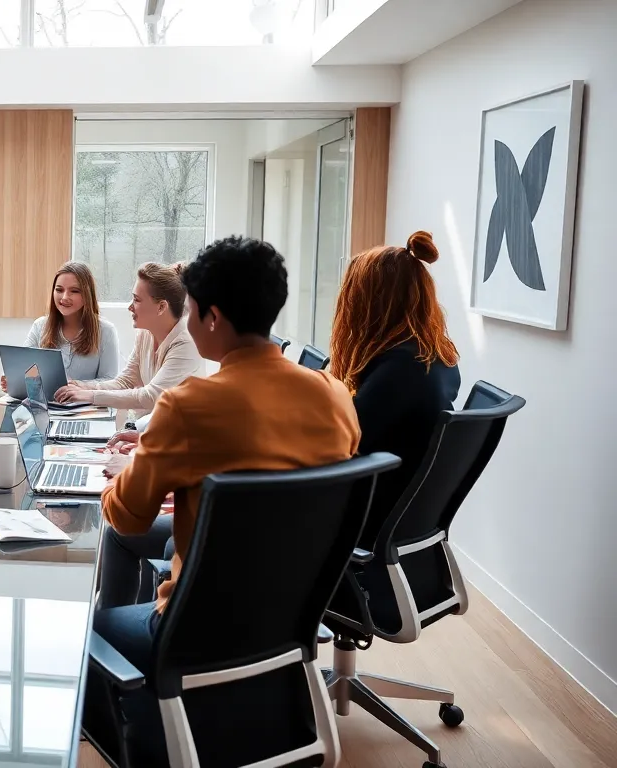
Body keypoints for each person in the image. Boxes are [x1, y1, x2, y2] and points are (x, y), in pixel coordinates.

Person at [93, 237, 361, 763]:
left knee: (95, 632)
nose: (188, 323)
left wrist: (123, 475)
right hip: (293, 615)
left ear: (212, 317)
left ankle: (147, 743)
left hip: (198, 627)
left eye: (190, 310)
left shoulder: (190, 405)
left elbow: (126, 515)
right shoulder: (334, 393)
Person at [329, 230, 461, 546]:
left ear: (369, 303)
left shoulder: (401, 370)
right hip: (402, 510)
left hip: (368, 515)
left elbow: (341, 445)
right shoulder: (435, 357)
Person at [54, 262, 201, 420]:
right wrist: (82, 386)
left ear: (161, 307)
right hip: (149, 429)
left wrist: (89, 395)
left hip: (181, 436)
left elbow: (151, 396)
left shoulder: (186, 342)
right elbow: (125, 381)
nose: (130, 307)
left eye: (137, 300)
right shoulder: (144, 334)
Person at [1, 262, 119, 391]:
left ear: (87, 295)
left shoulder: (106, 331)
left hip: (85, 407)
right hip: (48, 407)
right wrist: (14, 381)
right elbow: (26, 371)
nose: (64, 297)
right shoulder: (39, 326)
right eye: (59, 290)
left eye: (74, 291)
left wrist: (77, 386)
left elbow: (110, 381)